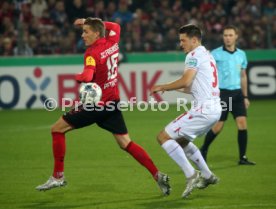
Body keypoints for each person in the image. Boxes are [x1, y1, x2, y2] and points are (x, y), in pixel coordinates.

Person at [36, 17, 171, 195]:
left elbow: (86, 76)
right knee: (126, 143)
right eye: (82, 31)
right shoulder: (112, 41)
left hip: (95, 106)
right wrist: (88, 21)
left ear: (97, 33)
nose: (82, 35)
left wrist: (77, 76)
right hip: (112, 102)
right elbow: (115, 25)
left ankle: (58, 176)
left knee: (57, 129)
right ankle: (157, 174)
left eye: (86, 31)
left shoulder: (91, 53)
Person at [150, 24, 221, 198]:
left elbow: (186, 80)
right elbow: (192, 87)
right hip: (214, 109)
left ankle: (191, 174)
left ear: (194, 40)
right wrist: (171, 89)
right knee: (180, 140)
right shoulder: (207, 55)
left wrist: (163, 86)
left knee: (163, 137)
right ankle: (207, 175)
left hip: (203, 109)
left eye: (183, 40)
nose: (181, 44)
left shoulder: (193, 55)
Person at [200, 25, 256, 165]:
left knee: (242, 124)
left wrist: (245, 96)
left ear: (236, 36)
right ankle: (203, 149)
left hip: (237, 94)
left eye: (230, 35)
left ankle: (242, 157)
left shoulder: (241, 54)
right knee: (218, 126)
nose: (228, 38)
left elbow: (243, 76)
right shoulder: (215, 54)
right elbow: (206, 72)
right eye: (225, 35)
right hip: (222, 94)